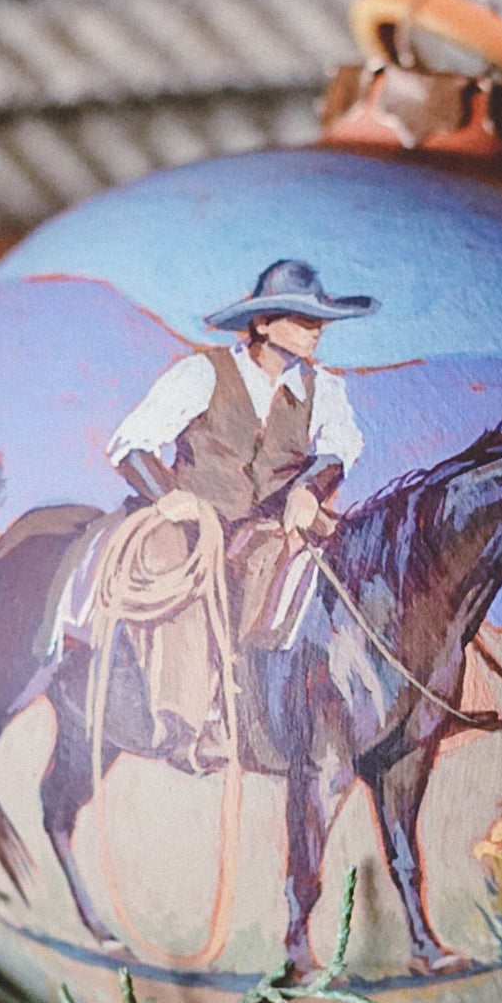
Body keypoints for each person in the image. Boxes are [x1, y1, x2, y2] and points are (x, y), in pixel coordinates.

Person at [102, 258, 377, 768]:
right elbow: (131, 445)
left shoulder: (322, 390)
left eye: (318, 321)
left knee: (317, 572)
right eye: (302, 319)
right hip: (187, 520)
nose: (315, 332)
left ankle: (288, 713)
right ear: (263, 324)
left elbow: (340, 448)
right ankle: (187, 721)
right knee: (183, 576)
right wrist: (169, 496)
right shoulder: (202, 374)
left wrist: (311, 490)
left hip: (265, 525)